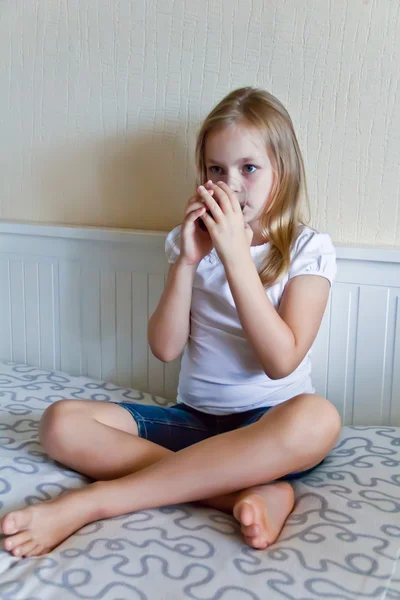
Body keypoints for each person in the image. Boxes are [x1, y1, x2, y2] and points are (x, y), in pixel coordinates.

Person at [0, 87, 341, 558]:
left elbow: (281, 361)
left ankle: (96, 501)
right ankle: (246, 493)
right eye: (216, 170)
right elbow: (165, 347)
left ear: (281, 173)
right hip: (195, 422)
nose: (232, 184)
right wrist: (186, 262)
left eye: (249, 168)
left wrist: (237, 257)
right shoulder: (189, 245)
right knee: (60, 423)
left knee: (318, 418)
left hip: (268, 426)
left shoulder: (307, 249)